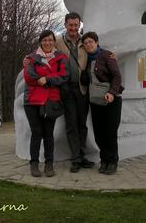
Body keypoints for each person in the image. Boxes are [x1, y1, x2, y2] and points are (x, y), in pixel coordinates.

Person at [23, 30, 69, 177]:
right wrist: (49, 77)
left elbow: (64, 76)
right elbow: (29, 76)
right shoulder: (31, 57)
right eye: (44, 40)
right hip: (32, 101)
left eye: (50, 40)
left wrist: (47, 79)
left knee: (48, 134)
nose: (47, 43)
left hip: (51, 101)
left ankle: (49, 164)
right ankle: (34, 164)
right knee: (36, 133)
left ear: (54, 42)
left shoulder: (60, 57)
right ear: (40, 42)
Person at [55, 12, 95, 172]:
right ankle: (75, 159)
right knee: (71, 124)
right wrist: (28, 60)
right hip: (66, 88)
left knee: (82, 124)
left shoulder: (85, 41)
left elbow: (96, 51)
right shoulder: (58, 41)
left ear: (79, 25)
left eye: (76, 25)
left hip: (82, 89)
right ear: (65, 25)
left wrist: (110, 56)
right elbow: (42, 51)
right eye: (70, 25)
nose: (73, 28)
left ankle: (83, 156)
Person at [82, 31, 124, 175]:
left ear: (96, 42)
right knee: (99, 133)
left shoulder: (107, 55)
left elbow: (117, 76)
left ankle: (112, 161)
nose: (88, 45)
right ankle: (104, 159)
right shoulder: (85, 59)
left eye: (90, 42)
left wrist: (112, 92)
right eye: (86, 43)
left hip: (110, 100)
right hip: (95, 101)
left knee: (110, 132)